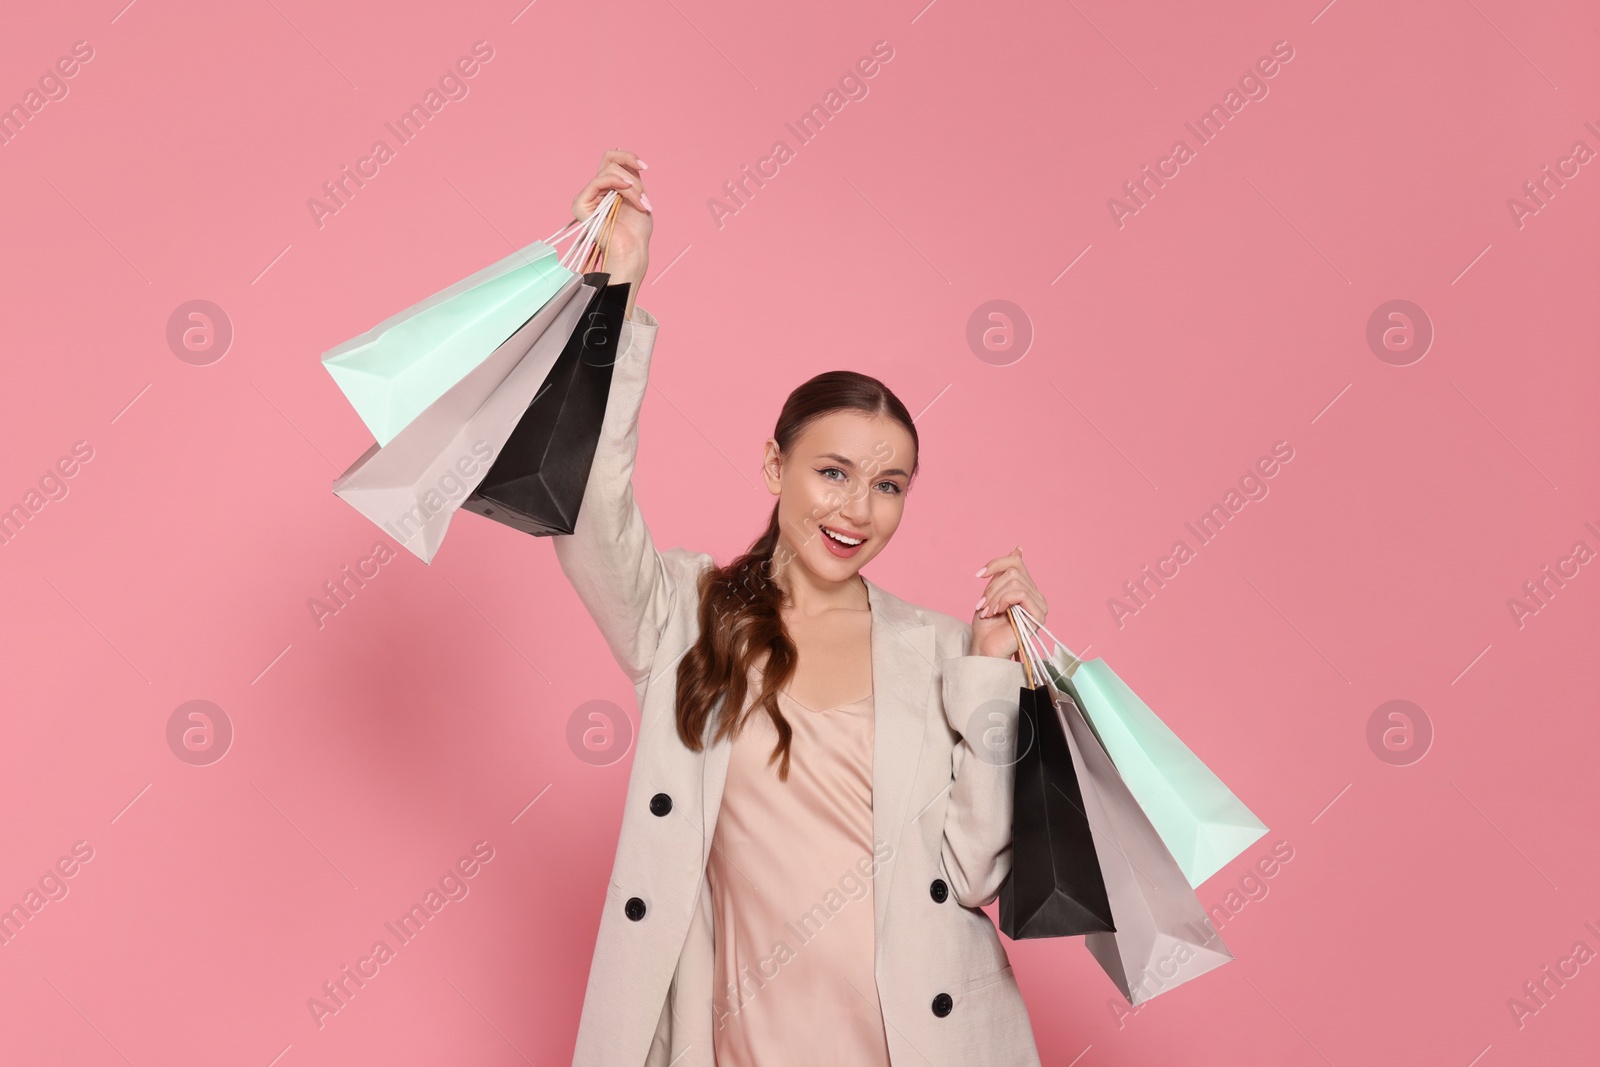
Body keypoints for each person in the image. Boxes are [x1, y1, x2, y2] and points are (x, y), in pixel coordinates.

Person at [551, 150, 1049, 1067]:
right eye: (832, 472)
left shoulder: (939, 647)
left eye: (888, 485)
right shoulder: (690, 617)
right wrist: (611, 299)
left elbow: (977, 870)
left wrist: (991, 679)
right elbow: (584, 509)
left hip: (914, 1042)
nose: (857, 510)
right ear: (776, 467)